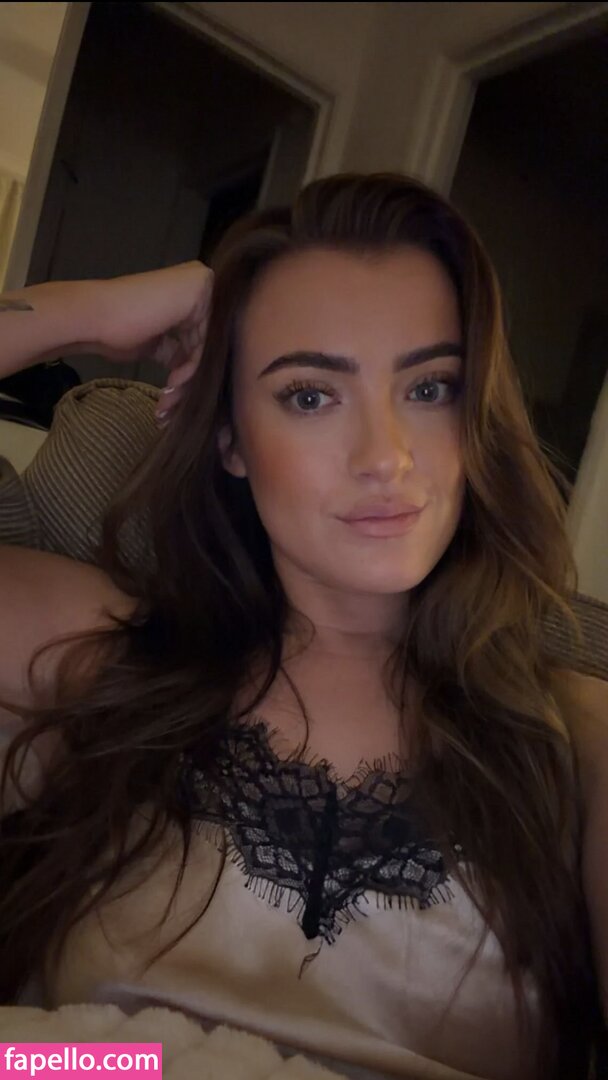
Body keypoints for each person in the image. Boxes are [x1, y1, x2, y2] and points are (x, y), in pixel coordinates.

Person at [0, 173, 606, 1080]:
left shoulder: (575, 737)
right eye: (311, 396)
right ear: (230, 440)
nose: (385, 458)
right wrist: (89, 311)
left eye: (431, 386)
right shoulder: (99, 652)